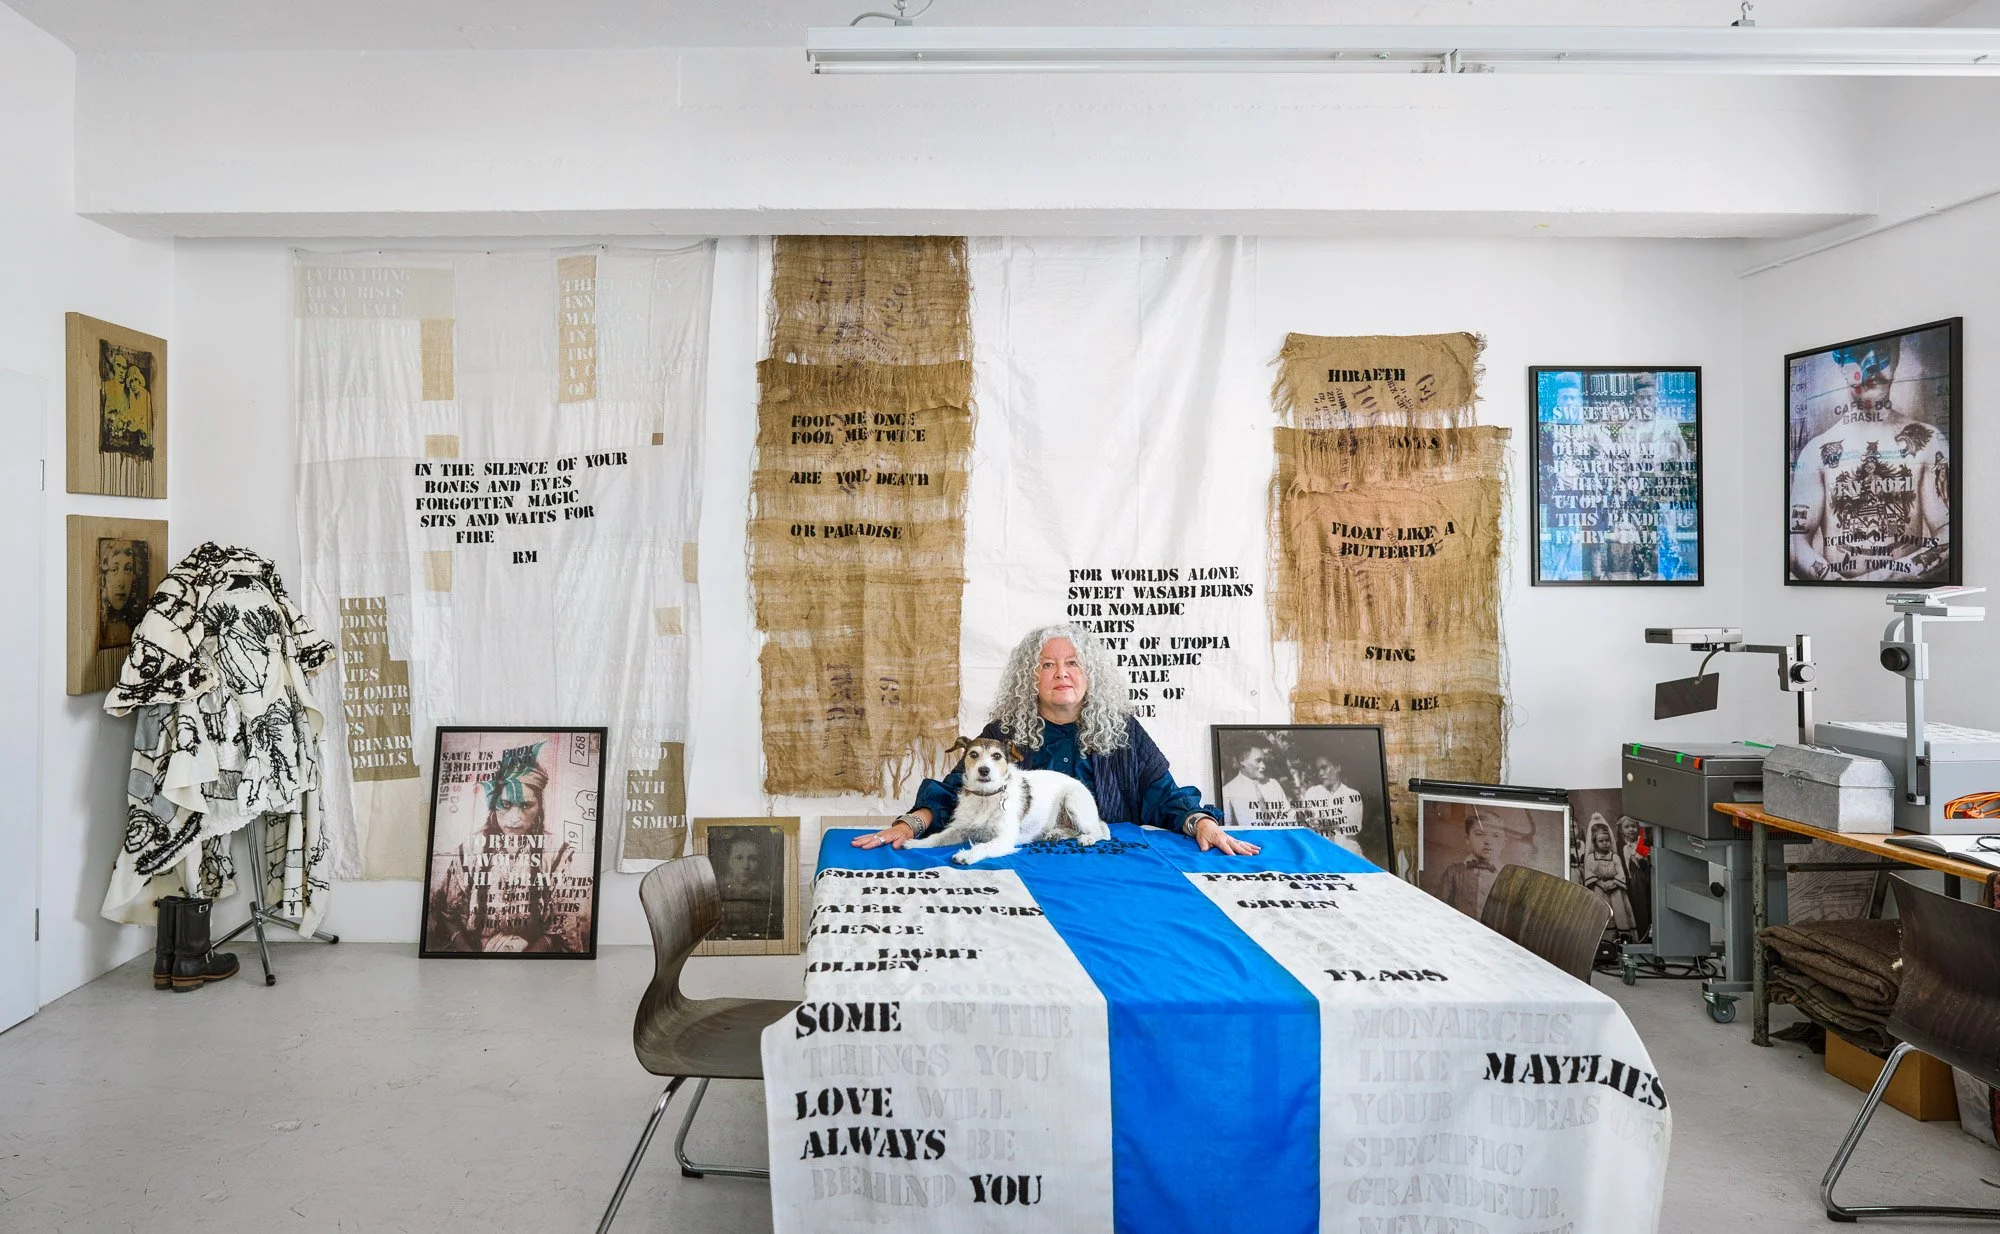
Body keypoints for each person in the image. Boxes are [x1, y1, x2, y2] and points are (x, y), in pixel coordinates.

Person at [854, 624, 1258, 856]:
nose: (1061, 673)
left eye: (1072, 663)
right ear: (1029, 678)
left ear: (1090, 674)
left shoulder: (1124, 731)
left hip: (1106, 867)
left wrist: (1201, 822)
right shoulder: (1002, 735)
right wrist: (911, 824)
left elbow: (1164, 795)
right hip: (1022, 870)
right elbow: (955, 796)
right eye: (1047, 664)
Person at [1789, 335, 1951, 583]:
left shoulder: (1929, 441)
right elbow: (1796, 545)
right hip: (1834, 599)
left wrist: (1873, 580)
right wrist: (1838, 586)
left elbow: (1948, 538)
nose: (1872, 363)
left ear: (1897, 355)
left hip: (1900, 596)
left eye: (1883, 350)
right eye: (1859, 353)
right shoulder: (1816, 453)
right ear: (1841, 365)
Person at [426, 742, 585, 953]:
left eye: (526, 805)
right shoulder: (470, 851)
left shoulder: (556, 854)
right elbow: (449, 916)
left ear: (539, 807)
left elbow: (562, 928)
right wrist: (476, 960)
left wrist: (522, 962)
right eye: (506, 805)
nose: (515, 818)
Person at [713, 828, 782, 940]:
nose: (745, 866)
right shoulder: (715, 894)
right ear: (728, 861)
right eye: (739, 858)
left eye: (752, 858)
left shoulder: (770, 897)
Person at [1436, 808, 1505, 918]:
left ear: (1504, 842)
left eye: (1495, 836)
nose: (1488, 841)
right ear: (1467, 839)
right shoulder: (1453, 872)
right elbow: (1439, 908)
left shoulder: (1508, 876)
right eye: (1479, 834)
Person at [1296, 753, 1365, 857]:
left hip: (1347, 854)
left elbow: (1354, 827)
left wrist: (1328, 823)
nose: (1320, 773)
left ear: (1337, 767)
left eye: (1324, 768)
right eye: (1318, 770)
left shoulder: (1351, 794)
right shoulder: (1312, 792)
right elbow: (1306, 822)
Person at [1220, 740, 1295, 830]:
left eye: (1264, 761)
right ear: (1242, 761)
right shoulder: (1228, 791)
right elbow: (1226, 828)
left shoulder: (1273, 784)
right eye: (1258, 761)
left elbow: (1289, 815)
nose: (1263, 766)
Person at [1580, 815, 1635, 935]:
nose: (1605, 843)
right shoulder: (1591, 858)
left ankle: (1621, 937)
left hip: (1616, 891)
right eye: (1601, 841)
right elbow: (1589, 874)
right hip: (1599, 890)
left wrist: (1613, 885)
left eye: (1607, 840)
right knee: (1602, 914)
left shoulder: (1615, 857)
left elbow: (1620, 873)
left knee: (1619, 913)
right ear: (1595, 843)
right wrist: (1601, 885)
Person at [96, 538, 148, 651]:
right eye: (114, 569)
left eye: (128, 569)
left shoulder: (139, 628)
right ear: (104, 578)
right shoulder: (97, 628)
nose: (122, 582)